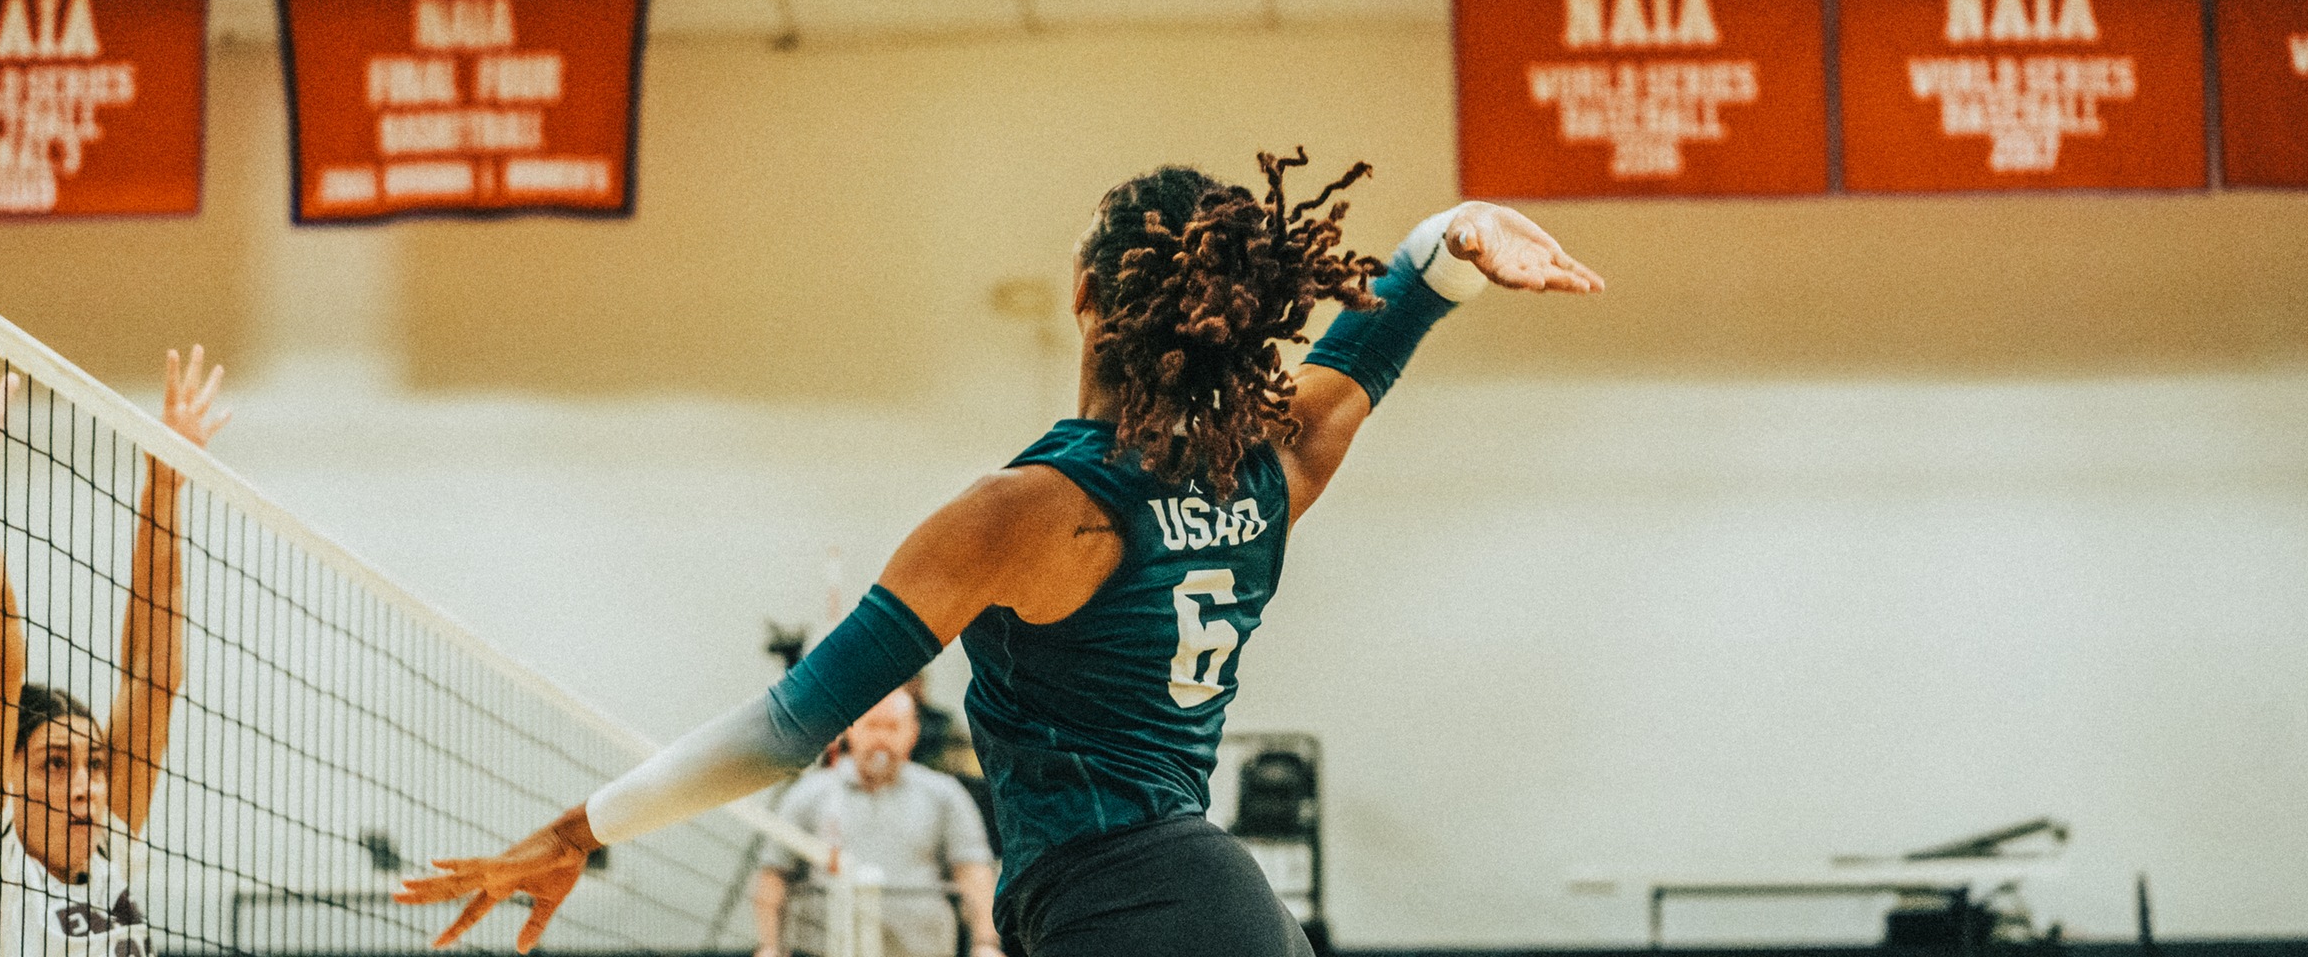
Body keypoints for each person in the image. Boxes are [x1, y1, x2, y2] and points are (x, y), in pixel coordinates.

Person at [399, 151, 1601, 956]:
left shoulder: (1026, 510)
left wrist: (581, 827)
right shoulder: (1269, 472)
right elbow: (1373, 342)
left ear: (1085, 293)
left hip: (1132, 905)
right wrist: (1451, 245)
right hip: (1180, 901)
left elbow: (788, 723)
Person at [0, 338, 225, 957]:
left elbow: (154, 675)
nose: (87, 785)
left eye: (92, 764)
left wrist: (162, 489)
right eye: (54, 764)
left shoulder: (105, 852)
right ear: (3, 779)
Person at [752, 688, 997, 957]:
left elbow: (973, 872)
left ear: (912, 732)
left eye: (892, 727)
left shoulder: (945, 794)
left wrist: (985, 944)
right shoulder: (808, 794)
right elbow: (774, 874)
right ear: (849, 731)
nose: (881, 739)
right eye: (872, 726)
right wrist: (770, 947)